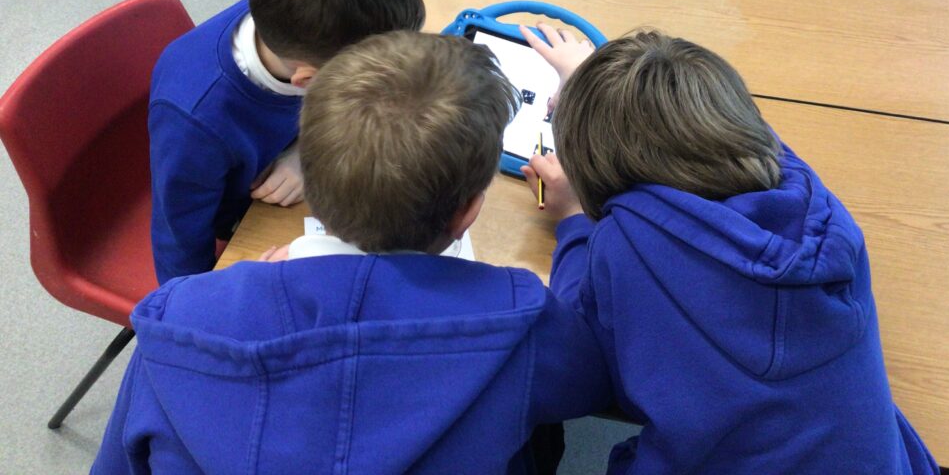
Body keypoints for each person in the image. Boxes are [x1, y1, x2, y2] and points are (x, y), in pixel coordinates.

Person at [94, 31, 612, 475]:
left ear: (311, 180)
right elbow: (598, 375)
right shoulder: (522, 317)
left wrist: (230, 292)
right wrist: (575, 221)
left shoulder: (177, 317)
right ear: (467, 212)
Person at [520, 25, 939, 475]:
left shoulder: (624, 245)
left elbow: (580, 355)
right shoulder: (814, 201)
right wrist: (590, 90)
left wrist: (573, 219)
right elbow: (730, 126)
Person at [148, 0, 425, 283]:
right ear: (307, 81)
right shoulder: (196, 122)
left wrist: (303, 153)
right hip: (244, 213)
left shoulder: (296, 8)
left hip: (291, 167)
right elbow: (177, 247)